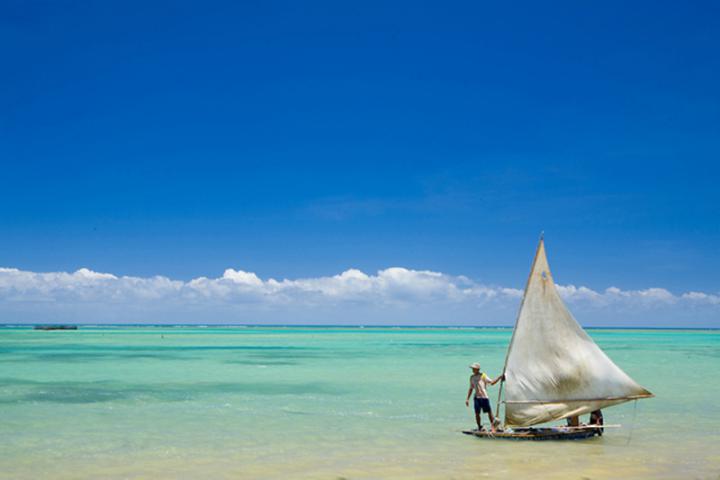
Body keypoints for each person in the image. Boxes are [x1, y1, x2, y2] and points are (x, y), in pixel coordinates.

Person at [465, 363, 503, 432]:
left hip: (484, 397)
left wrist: (499, 377)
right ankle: (479, 427)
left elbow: (492, 382)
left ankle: (493, 427)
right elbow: (471, 388)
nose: (472, 370)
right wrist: (467, 399)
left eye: (474, 368)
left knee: (489, 412)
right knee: (477, 413)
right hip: (476, 397)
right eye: (472, 368)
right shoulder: (472, 377)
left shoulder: (483, 376)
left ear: (477, 369)